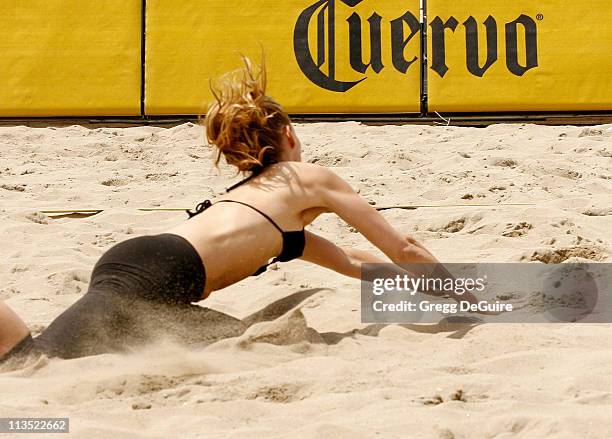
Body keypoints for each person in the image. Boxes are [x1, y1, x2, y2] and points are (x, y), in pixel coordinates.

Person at [0, 57, 480, 367]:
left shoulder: (277, 222)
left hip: (157, 275)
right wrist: (462, 297)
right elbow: (404, 247)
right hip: (158, 272)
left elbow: (359, 264)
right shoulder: (308, 177)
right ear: (288, 134)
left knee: (239, 339)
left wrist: (439, 290)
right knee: (33, 361)